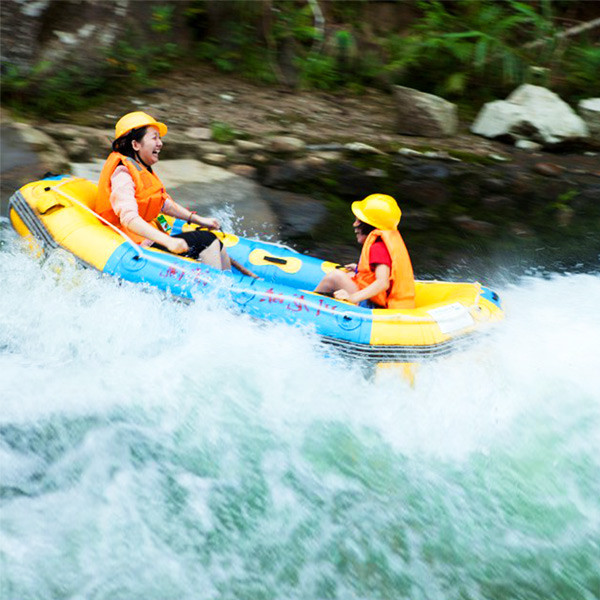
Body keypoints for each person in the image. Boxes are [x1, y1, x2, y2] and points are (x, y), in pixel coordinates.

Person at [94, 111, 230, 270]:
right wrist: (168, 241)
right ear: (135, 144)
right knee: (207, 240)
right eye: (154, 138)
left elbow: (164, 204)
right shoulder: (122, 174)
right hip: (132, 247)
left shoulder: (142, 169)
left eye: (160, 138)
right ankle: (215, 292)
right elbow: (128, 218)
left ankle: (231, 285)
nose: (160, 143)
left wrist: (199, 220)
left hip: (146, 240)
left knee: (217, 244)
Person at [314, 194, 415, 309]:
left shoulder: (378, 248)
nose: (354, 224)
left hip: (376, 308)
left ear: (369, 225)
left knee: (335, 276)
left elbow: (383, 283)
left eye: (358, 220)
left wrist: (352, 297)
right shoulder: (383, 244)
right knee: (351, 274)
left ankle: (306, 306)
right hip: (381, 302)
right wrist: (358, 269)